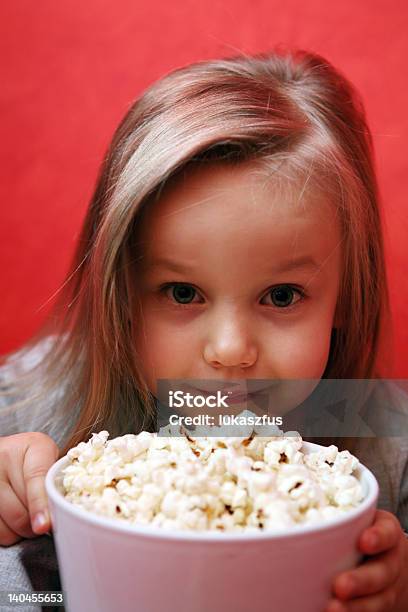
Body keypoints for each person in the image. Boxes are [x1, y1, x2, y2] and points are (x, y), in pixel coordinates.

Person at [1, 47, 408, 612]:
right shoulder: (25, 411)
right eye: (183, 293)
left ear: (346, 296)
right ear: (120, 291)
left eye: (282, 296)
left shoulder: (394, 448)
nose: (230, 351)